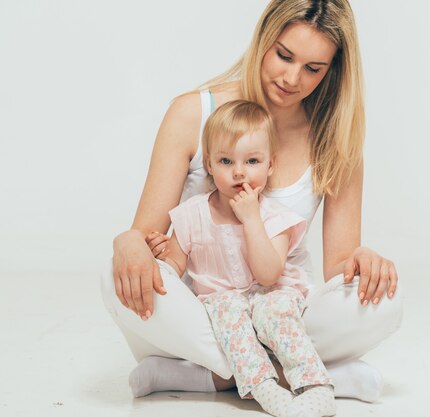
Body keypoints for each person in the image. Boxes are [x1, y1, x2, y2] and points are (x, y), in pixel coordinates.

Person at [100, 0, 403, 404]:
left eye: (314, 68)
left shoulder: (334, 139)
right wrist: (128, 243)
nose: (292, 78)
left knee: (386, 302)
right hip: (205, 313)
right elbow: (147, 238)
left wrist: (363, 261)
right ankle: (304, 371)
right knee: (112, 276)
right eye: (284, 55)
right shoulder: (194, 112)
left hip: (282, 312)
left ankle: (209, 376)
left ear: (333, 70)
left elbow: (338, 266)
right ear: (264, 37)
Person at [160, 100, 334, 417]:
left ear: (270, 165)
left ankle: (315, 386)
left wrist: (252, 219)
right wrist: (162, 263)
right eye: (226, 160)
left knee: (276, 308)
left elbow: (269, 274)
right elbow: (173, 265)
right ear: (209, 164)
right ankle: (264, 388)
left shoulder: (274, 216)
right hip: (222, 302)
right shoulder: (192, 214)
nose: (239, 172)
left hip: (270, 293)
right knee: (227, 311)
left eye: (252, 161)